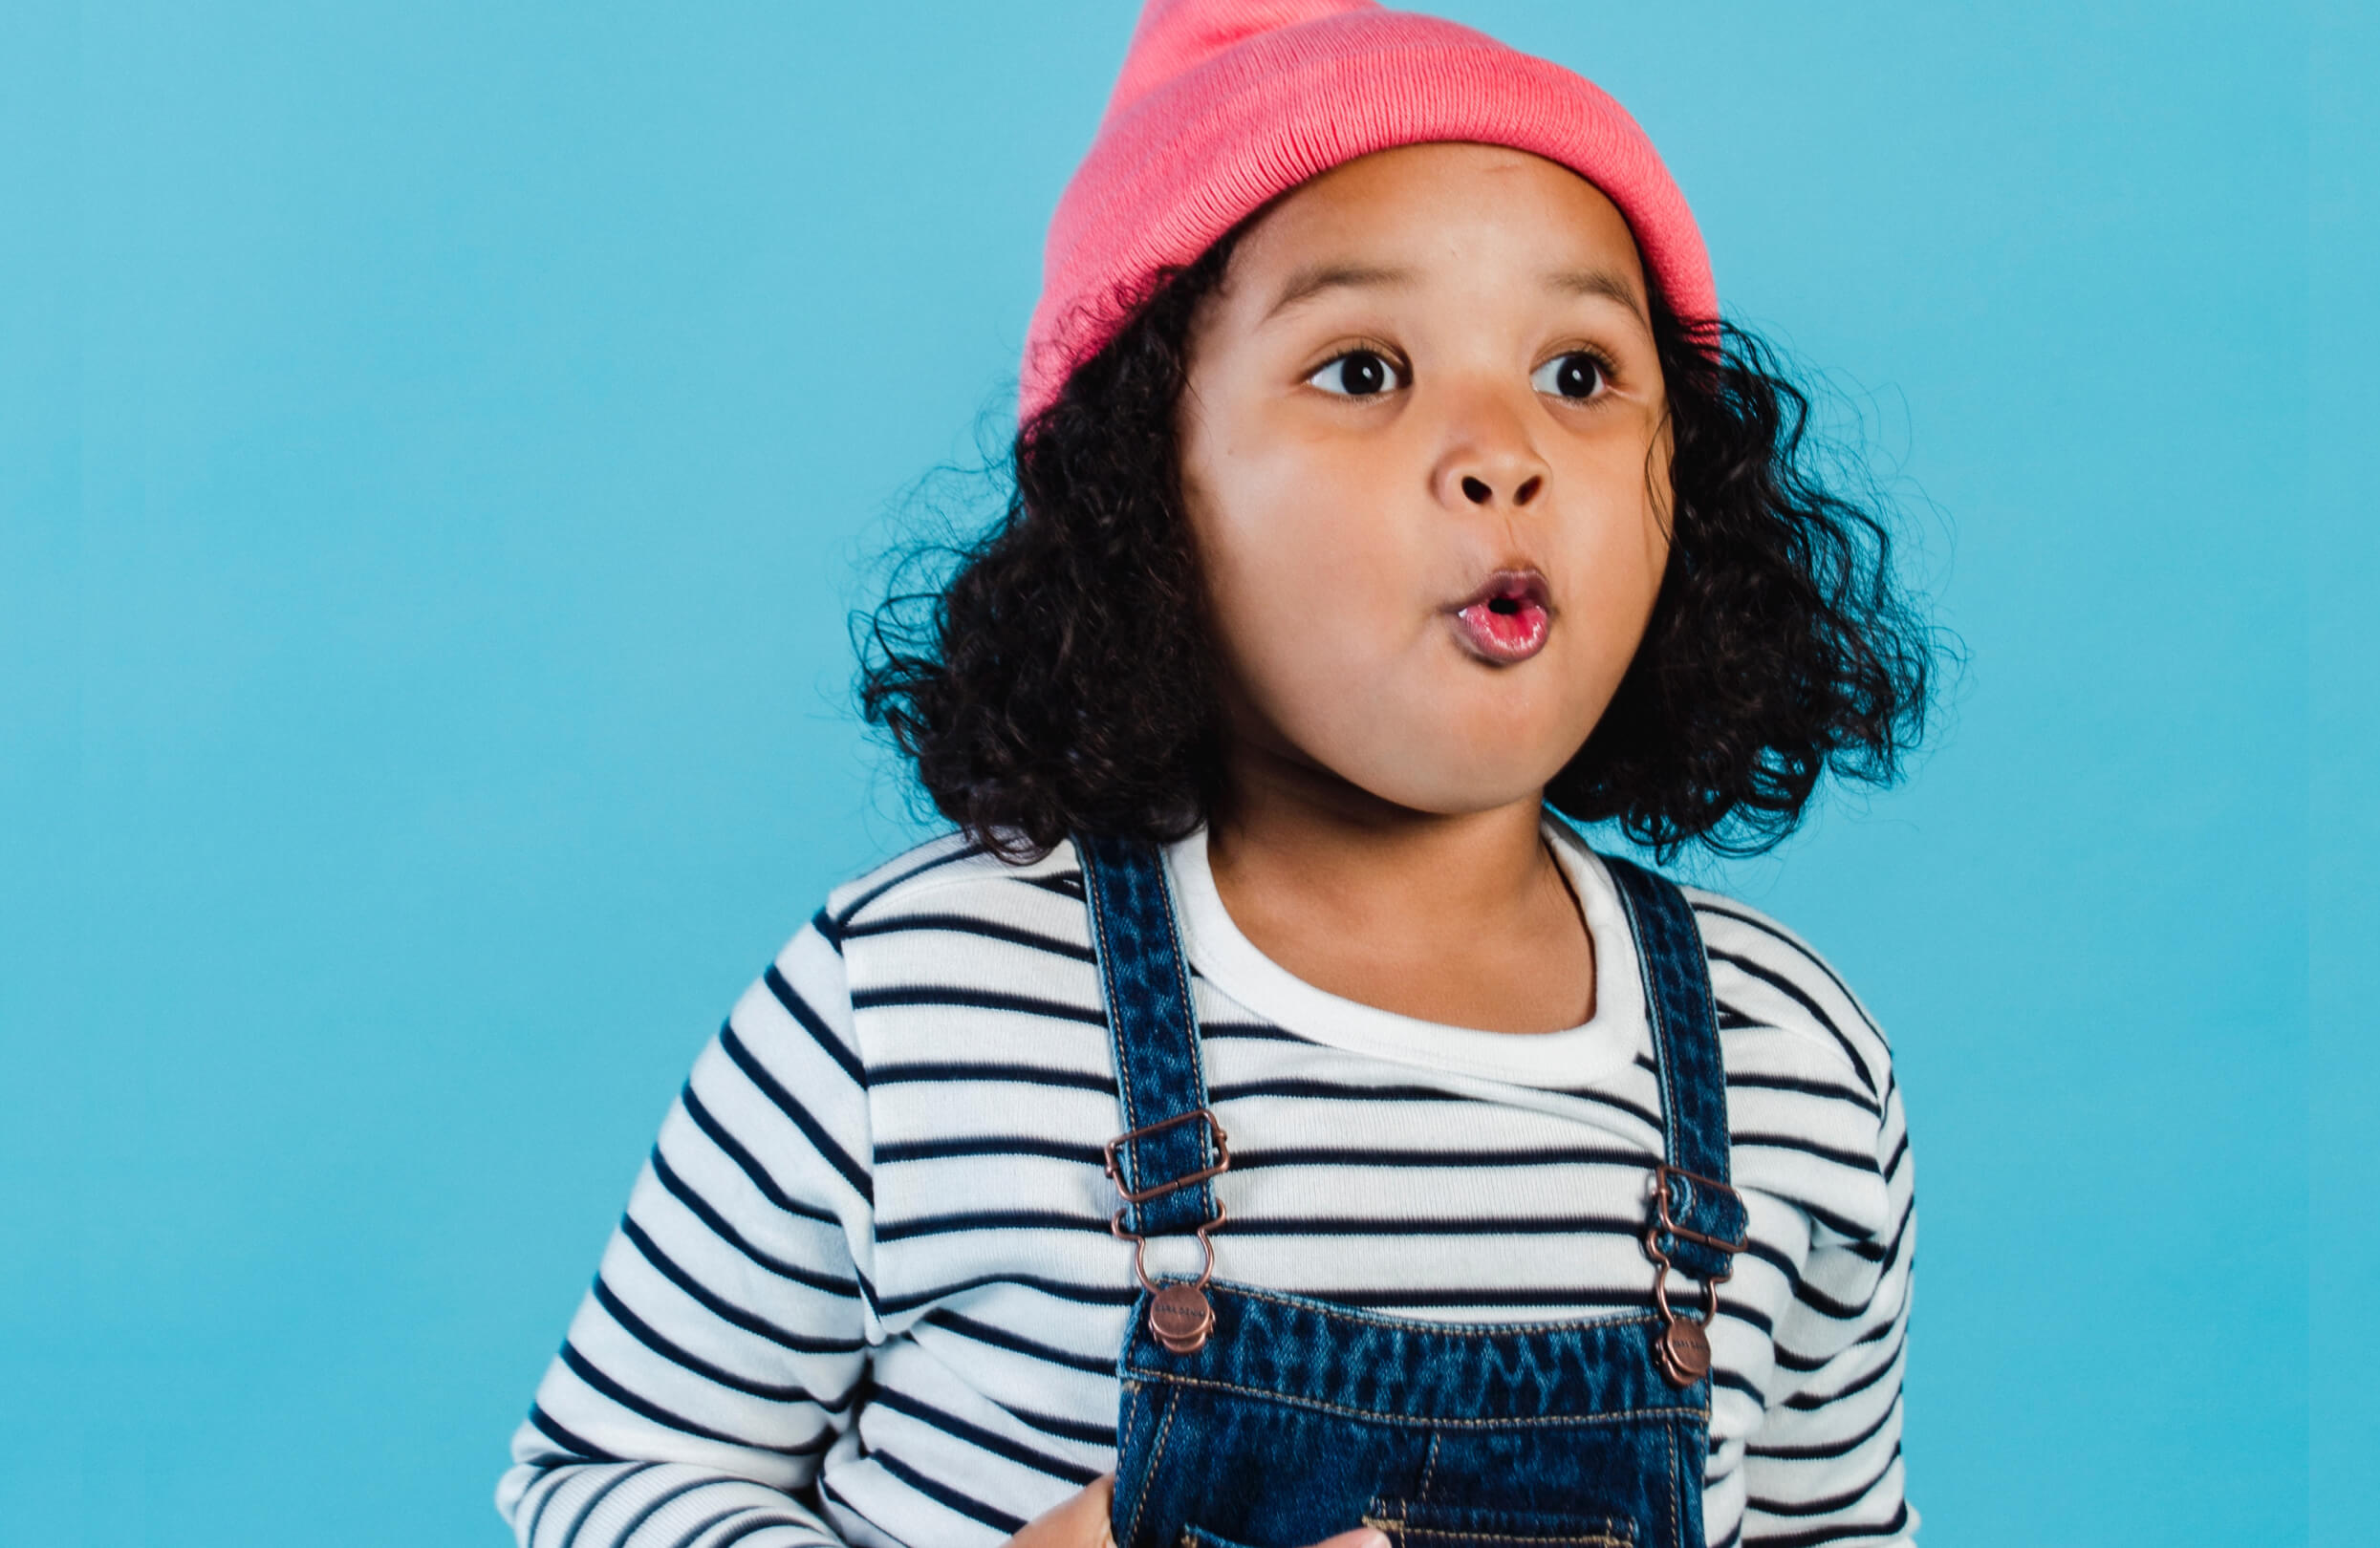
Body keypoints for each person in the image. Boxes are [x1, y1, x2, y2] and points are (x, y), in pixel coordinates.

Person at [495, 3, 1936, 1546]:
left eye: (1581, 374)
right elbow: (605, 1483)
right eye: (1365, 367)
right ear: (1145, 486)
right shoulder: (907, 1001)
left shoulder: (1790, 1067)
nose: (1501, 447)